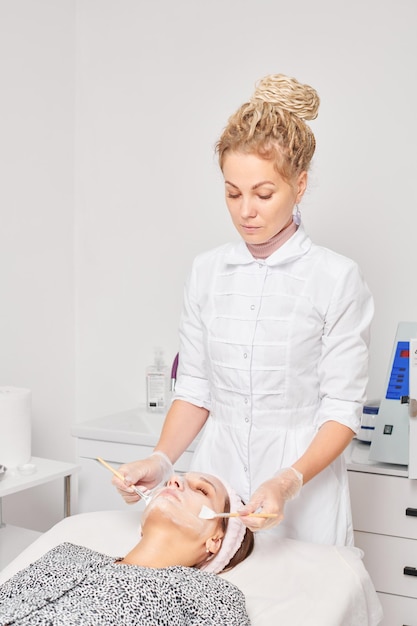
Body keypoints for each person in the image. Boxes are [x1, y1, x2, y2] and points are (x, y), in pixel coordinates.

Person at [113, 73, 374, 546]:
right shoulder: (207, 272)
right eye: (232, 193)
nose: (245, 211)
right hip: (217, 484)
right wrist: (161, 460)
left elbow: (340, 410)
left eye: (263, 193)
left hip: (304, 491)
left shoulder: (336, 278)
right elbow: (195, 389)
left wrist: (286, 481)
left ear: (300, 184)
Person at [0, 471, 254, 626]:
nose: (174, 480)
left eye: (201, 490)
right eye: (175, 479)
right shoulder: (67, 554)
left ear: (216, 540)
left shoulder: (211, 594)